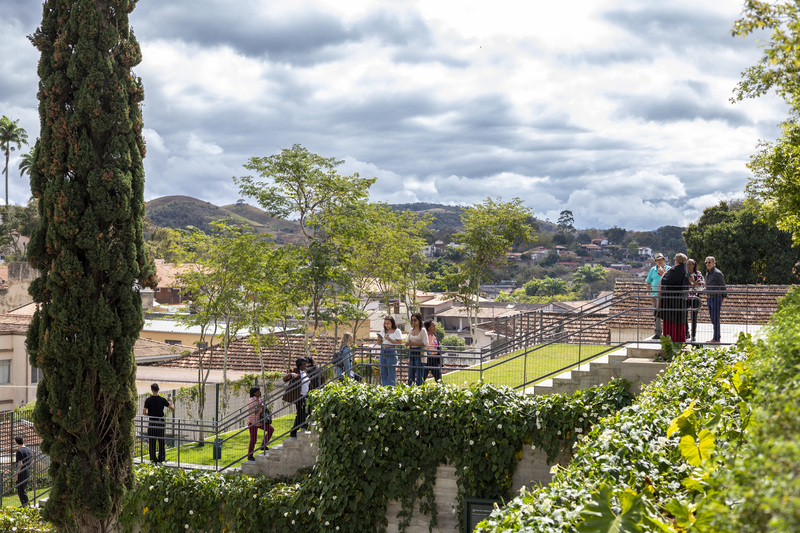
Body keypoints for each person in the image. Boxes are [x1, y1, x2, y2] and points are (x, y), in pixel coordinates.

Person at [657, 253, 690, 343]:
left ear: (676, 260)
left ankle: (671, 339)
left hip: (671, 299)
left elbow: (666, 281)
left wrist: (662, 274)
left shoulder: (675, 270)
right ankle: (680, 338)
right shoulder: (684, 270)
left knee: (670, 319)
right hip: (680, 299)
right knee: (679, 320)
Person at [143, 383, 174, 465]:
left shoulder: (148, 400)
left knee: (152, 441)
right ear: (158, 389)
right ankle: (161, 459)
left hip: (152, 421)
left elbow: (144, 412)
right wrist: (171, 401)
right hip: (160, 422)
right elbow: (172, 408)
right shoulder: (162, 400)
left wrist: (150, 415)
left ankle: (153, 459)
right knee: (161, 440)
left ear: (151, 390)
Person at [282, 358, 310, 438]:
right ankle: (297, 428)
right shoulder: (295, 371)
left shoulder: (305, 372)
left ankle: (296, 429)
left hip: (306, 395)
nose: (306, 366)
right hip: (299, 396)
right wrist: (291, 375)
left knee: (303, 412)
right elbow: (285, 379)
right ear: (300, 365)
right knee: (302, 412)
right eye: (304, 364)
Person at [645, 252, 670, 339]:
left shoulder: (669, 269)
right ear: (655, 262)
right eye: (657, 260)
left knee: (667, 315)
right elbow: (648, 282)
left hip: (666, 296)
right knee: (657, 315)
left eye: (661, 260)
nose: (659, 261)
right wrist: (649, 294)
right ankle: (658, 333)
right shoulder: (652, 270)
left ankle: (668, 333)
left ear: (664, 260)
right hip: (655, 297)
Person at [246, 386, 274, 461]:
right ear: (254, 393)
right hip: (253, 423)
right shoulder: (251, 401)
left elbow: (265, 409)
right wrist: (259, 407)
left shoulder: (260, 399)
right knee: (253, 439)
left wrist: (263, 407)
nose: (260, 392)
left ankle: (263, 445)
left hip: (261, 421)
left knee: (271, 429)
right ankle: (250, 455)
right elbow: (254, 412)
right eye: (258, 391)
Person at [704, 256, 727, 343]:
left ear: (714, 263)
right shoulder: (707, 273)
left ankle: (716, 338)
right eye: (706, 262)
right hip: (709, 298)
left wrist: (724, 297)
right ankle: (716, 337)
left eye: (709, 262)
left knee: (715, 318)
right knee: (712, 318)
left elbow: (723, 286)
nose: (707, 264)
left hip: (716, 297)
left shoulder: (718, 273)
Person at [378, 316, 403, 386]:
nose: (386, 325)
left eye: (388, 323)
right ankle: (384, 387)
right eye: (385, 323)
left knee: (391, 372)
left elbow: (400, 343)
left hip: (391, 351)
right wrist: (379, 338)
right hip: (383, 351)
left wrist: (390, 340)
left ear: (392, 323)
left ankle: (391, 388)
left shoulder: (397, 331)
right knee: (383, 372)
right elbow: (379, 343)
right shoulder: (383, 330)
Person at [405, 313, 429, 386]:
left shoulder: (423, 330)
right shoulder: (411, 330)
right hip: (412, 353)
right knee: (411, 373)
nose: (413, 322)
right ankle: (410, 388)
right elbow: (407, 341)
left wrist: (414, 343)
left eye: (415, 320)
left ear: (419, 320)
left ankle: (419, 390)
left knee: (419, 374)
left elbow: (426, 343)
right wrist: (409, 344)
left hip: (420, 354)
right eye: (412, 320)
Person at [686, 259, 705, 341]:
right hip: (686, 298)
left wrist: (692, 281)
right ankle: (686, 333)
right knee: (684, 316)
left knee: (694, 317)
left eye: (690, 264)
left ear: (694, 265)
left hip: (695, 297)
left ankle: (693, 334)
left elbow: (701, 286)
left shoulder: (698, 274)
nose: (688, 266)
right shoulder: (685, 274)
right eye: (687, 264)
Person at [14, 436, 32, 507]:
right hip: (28, 470)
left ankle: (26, 506)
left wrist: (16, 474)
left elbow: (20, 464)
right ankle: (26, 505)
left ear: (16, 442)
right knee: (23, 489)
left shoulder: (19, 451)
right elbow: (32, 461)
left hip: (22, 472)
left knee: (21, 490)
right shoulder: (28, 450)